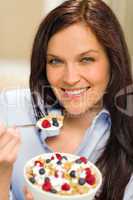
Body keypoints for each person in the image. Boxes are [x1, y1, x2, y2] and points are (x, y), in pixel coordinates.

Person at [0, 0, 133, 199]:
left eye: (86, 59)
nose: (70, 79)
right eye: (56, 61)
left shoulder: (128, 132)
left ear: (112, 61)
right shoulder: (9, 110)